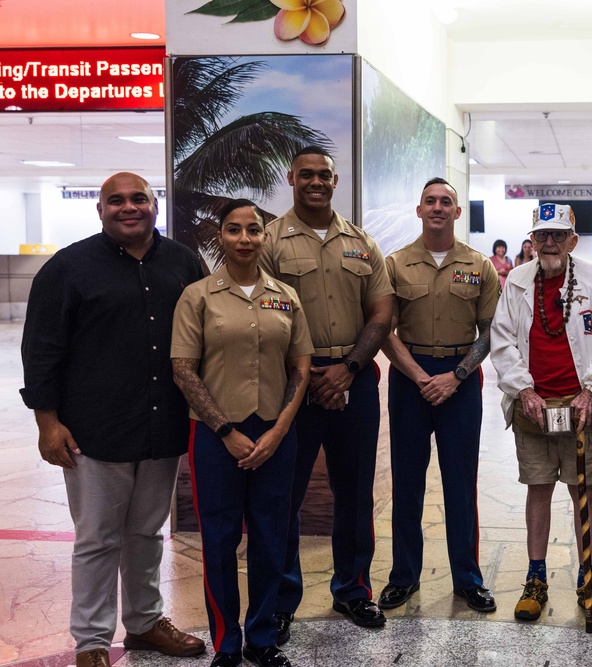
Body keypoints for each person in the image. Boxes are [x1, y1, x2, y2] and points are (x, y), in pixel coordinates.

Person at [20, 173, 206, 667]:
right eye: (117, 200)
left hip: (160, 426)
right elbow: (41, 351)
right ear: (100, 209)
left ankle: (145, 623)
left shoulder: (184, 263)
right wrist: (47, 422)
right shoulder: (68, 268)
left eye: (138, 198)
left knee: (146, 532)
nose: (129, 207)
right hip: (93, 432)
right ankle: (92, 642)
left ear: (154, 206)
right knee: (98, 537)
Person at [172, 199, 313, 667]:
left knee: (273, 536)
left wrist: (280, 429)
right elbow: (183, 370)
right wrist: (226, 430)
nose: (246, 238)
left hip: (275, 433)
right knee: (219, 538)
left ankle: (262, 637)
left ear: (265, 236)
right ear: (222, 237)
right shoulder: (198, 296)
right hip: (215, 437)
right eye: (234, 230)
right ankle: (226, 642)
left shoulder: (285, 296)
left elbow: (301, 365)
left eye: (254, 229)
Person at [260, 146, 394, 635]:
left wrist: (348, 369)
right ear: (291, 177)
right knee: (285, 496)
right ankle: (280, 600)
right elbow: (265, 314)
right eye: (307, 175)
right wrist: (312, 375)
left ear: (335, 182)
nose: (316, 182)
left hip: (353, 378)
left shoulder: (361, 243)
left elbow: (382, 314)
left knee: (355, 493)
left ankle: (353, 590)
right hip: (294, 383)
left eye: (325, 176)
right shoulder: (270, 240)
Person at [491, 203, 592, 626]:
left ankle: (589, 580)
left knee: (584, 492)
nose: (549, 242)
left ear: (572, 241)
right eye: (542, 234)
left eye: (558, 235)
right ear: (532, 238)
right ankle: (536, 579)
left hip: (582, 407)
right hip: (535, 409)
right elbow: (503, 340)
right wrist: (522, 389)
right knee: (539, 488)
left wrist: (591, 391)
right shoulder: (517, 281)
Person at [378, 177, 500, 614]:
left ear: (456, 212)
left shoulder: (479, 265)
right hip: (410, 381)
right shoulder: (394, 264)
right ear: (419, 210)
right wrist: (417, 375)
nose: (437, 207)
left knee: (460, 483)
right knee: (407, 484)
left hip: (460, 381)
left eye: (446, 201)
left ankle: (467, 578)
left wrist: (456, 375)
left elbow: (489, 333)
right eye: (430, 200)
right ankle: (403, 577)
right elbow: (382, 330)